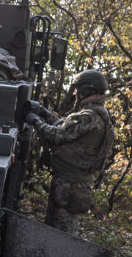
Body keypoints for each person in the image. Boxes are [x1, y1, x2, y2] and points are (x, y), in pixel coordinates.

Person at [26, 68, 115, 234]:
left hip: (70, 185)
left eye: (77, 88)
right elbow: (65, 126)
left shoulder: (89, 115)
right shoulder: (96, 114)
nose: (74, 93)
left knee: (59, 237)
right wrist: (44, 114)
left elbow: (57, 135)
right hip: (75, 184)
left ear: (86, 89)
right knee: (60, 233)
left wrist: (35, 122)